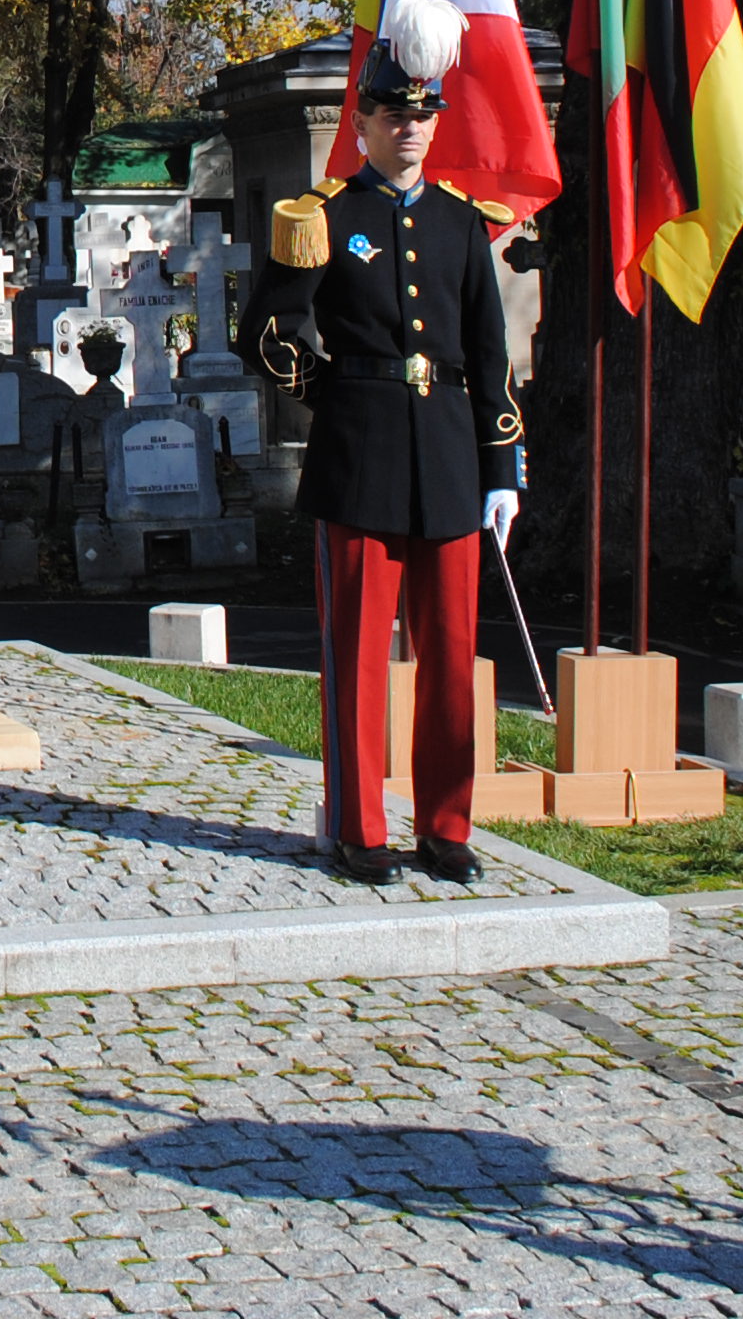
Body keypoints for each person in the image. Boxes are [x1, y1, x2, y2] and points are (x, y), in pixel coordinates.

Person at [260, 43, 526, 887]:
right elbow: (268, 332)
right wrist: (330, 396)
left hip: (449, 457)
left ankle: (447, 829)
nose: (411, 129)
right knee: (358, 655)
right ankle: (358, 827)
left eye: (424, 115)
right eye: (395, 115)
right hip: (360, 454)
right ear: (364, 124)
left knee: (450, 657)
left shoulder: (459, 221)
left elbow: (490, 357)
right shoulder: (323, 215)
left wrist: (501, 470)